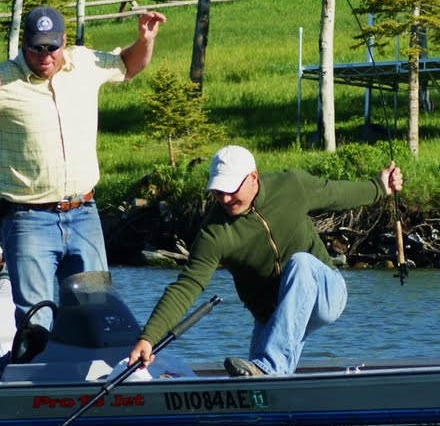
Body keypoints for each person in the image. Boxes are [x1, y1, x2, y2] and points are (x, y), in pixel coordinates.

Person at [0, 5, 166, 326]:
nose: (45, 56)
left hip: (85, 214)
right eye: (37, 47)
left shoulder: (84, 63)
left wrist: (145, 39)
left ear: (64, 42)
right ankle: (33, 372)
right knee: (35, 320)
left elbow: (129, 65)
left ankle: (90, 376)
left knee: (96, 314)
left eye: (52, 47)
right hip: (28, 220)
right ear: (23, 44)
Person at [127, 145, 404, 377]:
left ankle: (271, 365)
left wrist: (380, 186)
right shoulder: (214, 233)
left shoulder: (291, 186)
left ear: (253, 177)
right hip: (273, 316)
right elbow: (186, 286)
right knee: (256, 387)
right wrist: (148, 338)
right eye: (217, 191)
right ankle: (270, 382)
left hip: (326, 292)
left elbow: (337, 194)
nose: (224, 198)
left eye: (230, 189)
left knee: (301, 263)